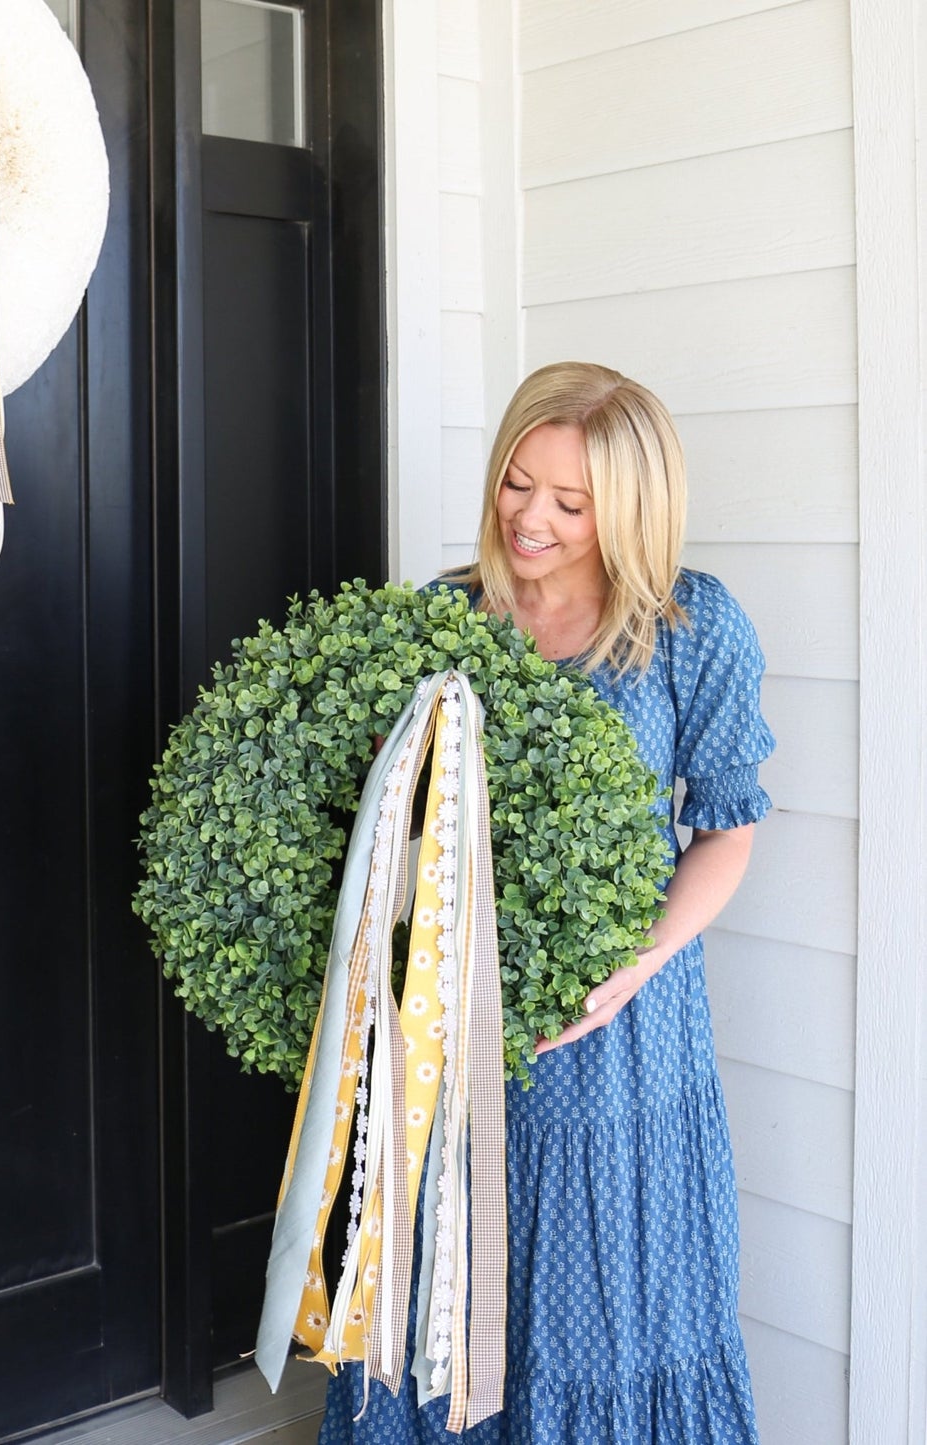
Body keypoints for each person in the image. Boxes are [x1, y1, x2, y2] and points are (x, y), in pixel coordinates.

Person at [318, 362, 772, 1443]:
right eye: (518, 483)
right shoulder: (443, 618)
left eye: (571, 502)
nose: (530, 518)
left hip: (619, 1033)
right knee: (443, 1269)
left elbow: (727, 830)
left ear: (630, 509)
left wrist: (634, 964)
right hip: (449, 1016)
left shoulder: (689, 626)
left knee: (603, 1302)